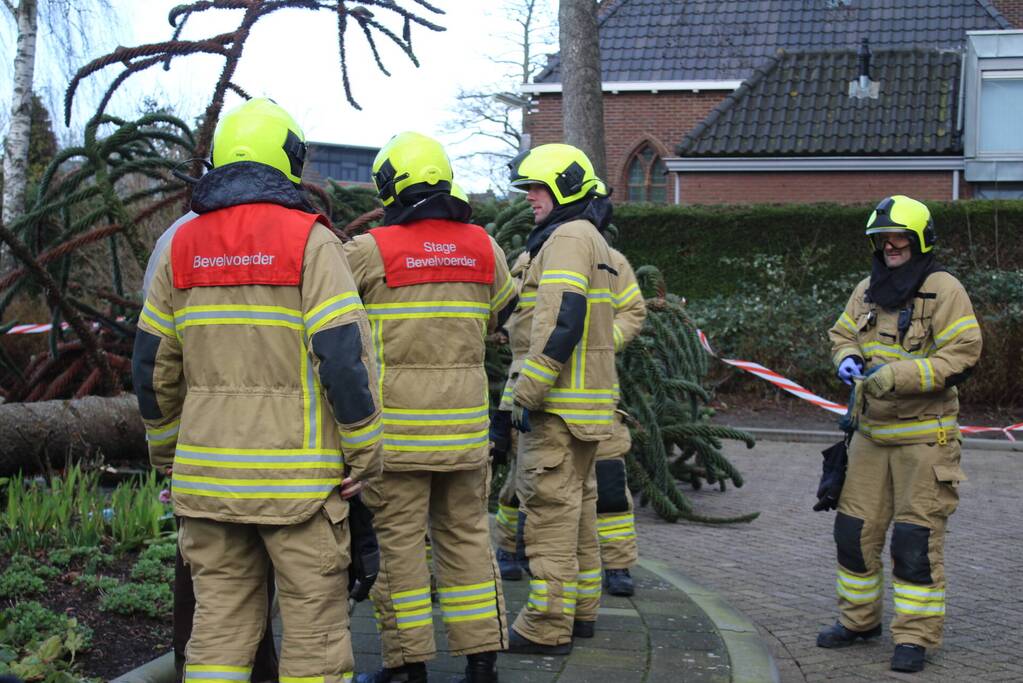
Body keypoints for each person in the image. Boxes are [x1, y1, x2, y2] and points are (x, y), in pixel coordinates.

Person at [132, 97, 382, 682]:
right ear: (289, 161)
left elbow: (151, 369)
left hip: (207, 483)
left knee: (216, 629)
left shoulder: (180, 247)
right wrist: (365, 454)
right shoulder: (312, 243)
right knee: (315, 635)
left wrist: (168, 455)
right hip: (299, 487)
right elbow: (343, 358)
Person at [344, 132, 516, 683]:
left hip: (395, 438)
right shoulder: (484, 247)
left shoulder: (367, 251)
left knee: (400, 550)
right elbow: (502, 321)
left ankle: (408, 668)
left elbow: (331, 327)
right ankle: (482, 664)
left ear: (391, 184)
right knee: (466, 539)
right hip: (466, 434)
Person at [819, 195, 981, 674]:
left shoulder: (945, 289)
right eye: (882, 239)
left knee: (915, 542)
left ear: (919, 240)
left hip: (924, 441)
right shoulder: (866, 289)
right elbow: (842, 333)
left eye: (898, 239)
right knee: (853, 533)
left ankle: (914, 637)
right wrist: (844, 358)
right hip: (870, 436)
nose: (889, 246)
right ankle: (859, 621)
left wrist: (901, 377)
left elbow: (964, 355)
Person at [500, 143, 617, 654]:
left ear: (566, 187)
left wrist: (526, 391)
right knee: (579, 516)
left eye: (538, 188)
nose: (529, 197)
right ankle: (583, 613)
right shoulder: (591, 238)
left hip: (556, 408)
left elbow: (561, 321)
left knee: (549, 517)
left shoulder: (567, 238)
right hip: (586, 410)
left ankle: (545, 627)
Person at [491, 246, 646, 600]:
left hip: (594, 397)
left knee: (609, 484)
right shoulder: (528, 260)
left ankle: (617, 565)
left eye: (538, 191)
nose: (531, 198)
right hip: (534, 394)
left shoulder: (610, 259)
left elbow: (633, 310)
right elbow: (512, 314)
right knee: (522, 480)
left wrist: (599, 340)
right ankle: (508, 549)